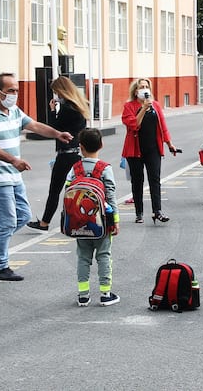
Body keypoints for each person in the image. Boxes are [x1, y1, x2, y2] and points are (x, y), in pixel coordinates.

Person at [0, 73, 73, 281]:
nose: (14, 94)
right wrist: (13, 160)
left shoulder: (14, 111)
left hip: (13, 177)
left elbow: (34, 126)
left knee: (23, 216)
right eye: (10, 91)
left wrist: (57, 134)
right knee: (8, 220)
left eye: (16, 90)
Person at [26, 76, 89, 232]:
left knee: (55, 189)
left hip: (65, 154)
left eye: (56, 92)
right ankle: (82, 218)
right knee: (76, 189)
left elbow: (55, 129)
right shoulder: (79, 106)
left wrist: (53, 111)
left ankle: (45, 222)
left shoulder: (67, 109)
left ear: (61, 91)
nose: (56, 96)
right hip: (76, 153)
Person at [67, 128, 120, 307]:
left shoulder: (75, 169)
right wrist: (116, 221)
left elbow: (68, 190)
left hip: (79, 222)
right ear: (102, 145)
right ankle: (105, 293)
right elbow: (111, 195)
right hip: (102, 222)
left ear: (80, 147)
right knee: (104, 255)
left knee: (83, 257)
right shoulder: (105, 169)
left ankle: (83, 295)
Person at [120, 78, 177, 223]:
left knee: (155, 179)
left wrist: (170, 144)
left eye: (146, 87)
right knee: (137, 181)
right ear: (135, 91)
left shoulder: (155, 105)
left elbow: (162, 126)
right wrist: (144, 108)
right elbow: (133, 125)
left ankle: (157, 211)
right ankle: (139, 213)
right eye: (141, 87)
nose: (145, 89)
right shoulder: (129, 106)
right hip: (135, 149)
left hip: (153, 148)